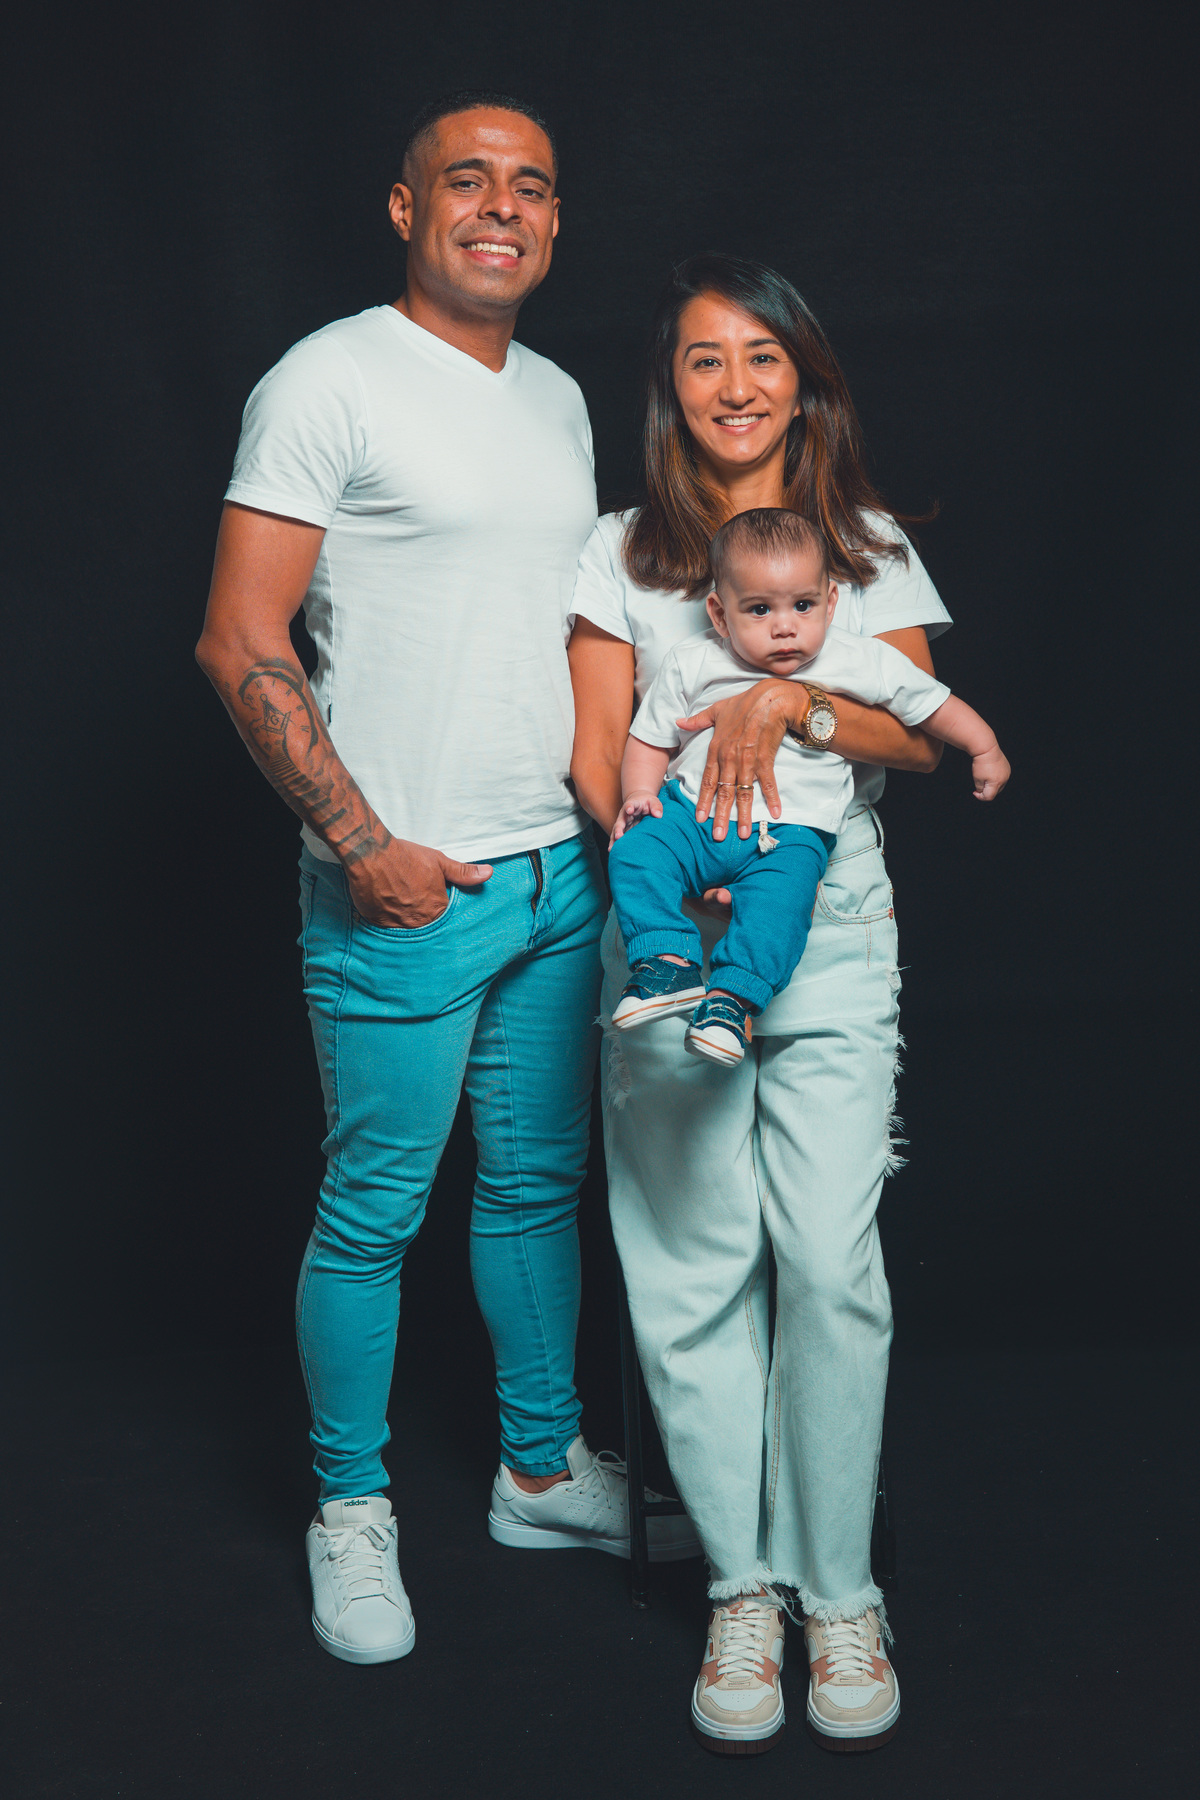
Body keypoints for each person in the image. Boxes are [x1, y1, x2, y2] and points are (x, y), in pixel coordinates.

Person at [196, 91, 697, 1669]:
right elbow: (238, 637)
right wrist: (363, 847)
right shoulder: (329, 379)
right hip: (405, 885)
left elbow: (568, 632)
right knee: (374, 1213)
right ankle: (350, 1505)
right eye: (466, 182)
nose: (501, 207)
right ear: (406, 210)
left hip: (555, 874)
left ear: (554, 222)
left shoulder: (555, 396)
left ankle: (538, 1472)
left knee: (538, 1189)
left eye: (530, 187)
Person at [568, 254, 967, 1754]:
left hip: (834, 931)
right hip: (675, 933)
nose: (733, 386)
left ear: (805, 381)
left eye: (762, 357)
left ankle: (838, 1592)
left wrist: (781, 698)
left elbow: (915, 732)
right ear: (669, 389)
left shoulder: (864, 544)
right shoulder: (621, 549)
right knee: (691, 1271)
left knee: (829, 1262)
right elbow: (596, 751)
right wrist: (675, 873)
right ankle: (743, 1587)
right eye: (702, 359)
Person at [607, 507, 1007, 1065]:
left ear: (831, 602)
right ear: (719, 614)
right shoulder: (693, 662)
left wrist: (983, 746)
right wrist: (639, 794)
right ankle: (665, 965)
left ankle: (731, 1003)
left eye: (803, 605)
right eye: (759, 609)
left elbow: (931, 705)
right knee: (634, 850)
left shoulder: (859, 659)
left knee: (781, 911)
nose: (784, 626)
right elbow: (649, 739)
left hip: (790, 835)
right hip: (691, 816)